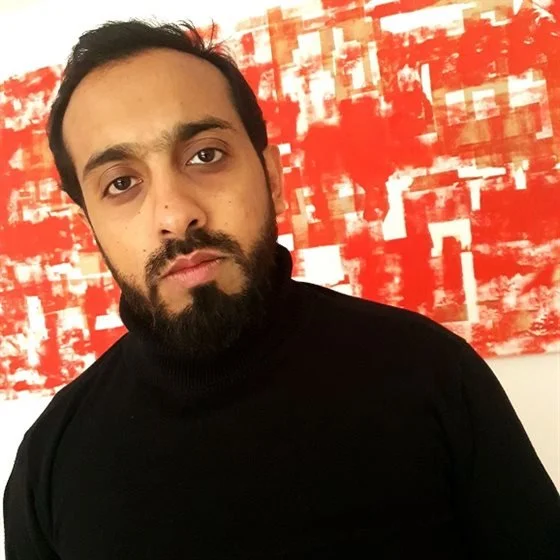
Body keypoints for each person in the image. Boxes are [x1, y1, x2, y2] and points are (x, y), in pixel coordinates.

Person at [3, 19, 560, 560]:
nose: (174, 214)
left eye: (205, 155)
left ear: (270, 175)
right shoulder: (49, 461)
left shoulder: (432, 371)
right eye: (121, 183)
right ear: (90, 225)